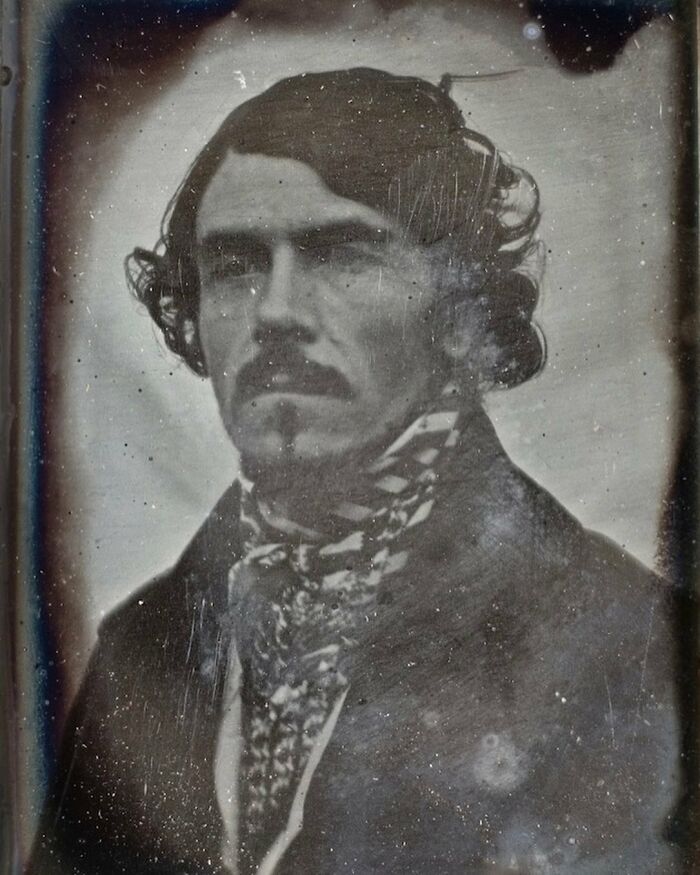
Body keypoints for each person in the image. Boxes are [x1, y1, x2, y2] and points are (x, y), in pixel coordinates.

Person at [29, 68, 681, 874]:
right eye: (234, 267)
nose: (275, 313)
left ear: (458, 303)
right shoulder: (143, 648)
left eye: (341, 257)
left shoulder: (629, 649)